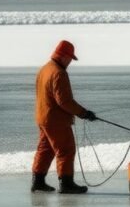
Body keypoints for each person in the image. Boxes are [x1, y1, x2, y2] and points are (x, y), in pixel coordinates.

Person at [31, 40, 97, 194]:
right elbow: (64, 101)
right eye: (69, 58)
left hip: (43, 117)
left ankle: (38, 182)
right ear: (62, 56)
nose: (70, 62)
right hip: (56, 120)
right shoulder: (59, 73)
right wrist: (84, 113)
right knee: (66, 150)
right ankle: (66, 184)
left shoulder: (44, 69)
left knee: (45, 150)